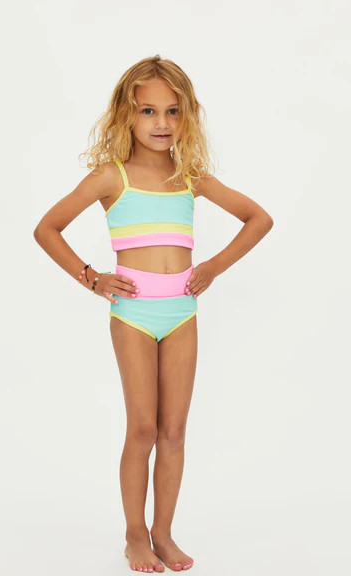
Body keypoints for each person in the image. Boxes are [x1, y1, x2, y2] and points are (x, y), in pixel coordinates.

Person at [33, 54, 273, 573]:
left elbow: (259, 218)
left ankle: (163, 532)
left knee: (174, 431)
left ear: (187, 115)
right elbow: (46, 229)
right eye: (148, 111)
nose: (161, 123)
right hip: (134, 315)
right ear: (126, 115)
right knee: (142, 428)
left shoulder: (191, 176)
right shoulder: (110, 176)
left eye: (172, 111)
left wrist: (213, 267)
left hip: (182, 312)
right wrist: (92, 278)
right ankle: (134, 535)